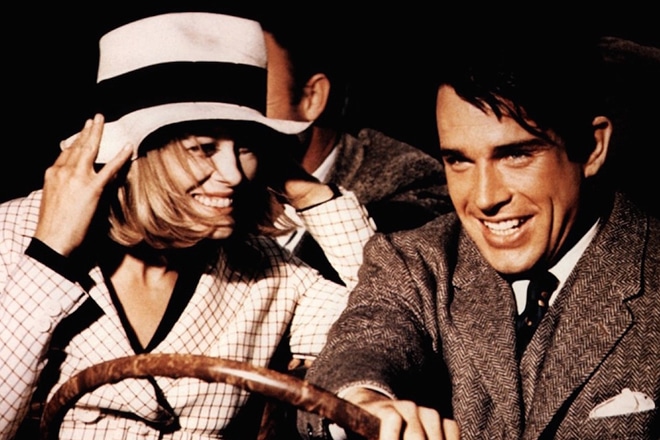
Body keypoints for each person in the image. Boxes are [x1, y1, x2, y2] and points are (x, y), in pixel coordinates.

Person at [0, 10, 377, 439]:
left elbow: (388, 321)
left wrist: (309, 192)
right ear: (135, 153)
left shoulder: (266, 272)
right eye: (203, 148)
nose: (233, 175)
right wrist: (50, 255)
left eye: (246, 147)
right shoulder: (15, 235)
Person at [298, 29, 660, 440]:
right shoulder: (416, 261)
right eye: (459, 161)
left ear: (592, 148)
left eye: (515, 155)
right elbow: (363, 342)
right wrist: (365, 402)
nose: (484, 198)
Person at [259, 12, 453, 285]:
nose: (230, 105)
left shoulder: (409, 182)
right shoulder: (220, 182)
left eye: (253, 82)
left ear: (311, 97)